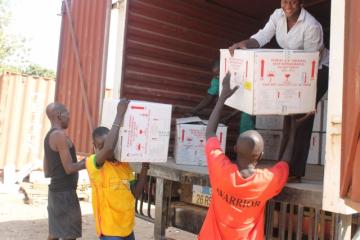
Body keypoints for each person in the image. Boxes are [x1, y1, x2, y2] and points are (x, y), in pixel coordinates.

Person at [228, 0, 329, 182]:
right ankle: (283, 166)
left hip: (318, 71)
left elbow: (311, 63)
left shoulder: (311, 26)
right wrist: (242, 44)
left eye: (292, 1)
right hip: (293, 68)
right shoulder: (277, 15)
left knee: (301, 116)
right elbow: (262, 36)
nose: (287, 5)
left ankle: (294, 171)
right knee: (288, 113)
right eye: (284, 0)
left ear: (301, 2)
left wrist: (306, 97)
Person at [198, 73, 297, 240]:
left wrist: (222, 97)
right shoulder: (266, 181)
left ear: (235, 148)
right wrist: (294, 124)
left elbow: (210, 132)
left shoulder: (220, 170)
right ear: (261, 156)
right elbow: (285, 162)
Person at [86, 99, 149, 240]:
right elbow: (108, 149)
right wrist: (119, 114)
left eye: (110, 143)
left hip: (127, 230)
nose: (106, 148)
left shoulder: (124, 165)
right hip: (110, 232)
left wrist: (145, 167)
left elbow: (136, 194)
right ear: (94, 147)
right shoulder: (93, 164)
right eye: (100, 146)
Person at [44, 103, 86, 240]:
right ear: (58, 115)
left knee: (55, 233)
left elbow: (47, 171)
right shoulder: (59, 136)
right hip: (65, 194)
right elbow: (69, 168)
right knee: (70, 235)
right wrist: (88, 162)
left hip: (55, 192)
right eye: (67, 114)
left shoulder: (48, 136)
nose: (69, 118)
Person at [188, 59, 255, 134]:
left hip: (249, 110)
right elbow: (209, 97)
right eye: (216, 74)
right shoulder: (217, 79)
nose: (218, 76)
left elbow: (248, 103)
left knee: (246, 122)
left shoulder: (244, 78)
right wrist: (192, 111)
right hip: (240, 107)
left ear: (225, 68)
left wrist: (229, 117)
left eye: (219, 73)